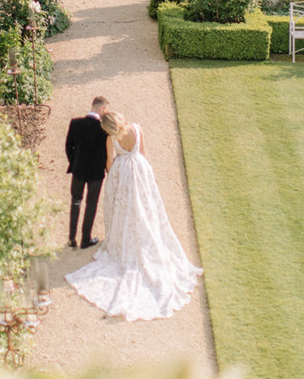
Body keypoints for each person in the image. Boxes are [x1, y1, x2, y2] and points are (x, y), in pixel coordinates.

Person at [65, 111, 203, 321]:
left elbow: (110, 166)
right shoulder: (137, 128)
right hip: (140, 169)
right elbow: (144, 154)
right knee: (145, 208)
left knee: (125, 209)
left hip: (123, 174)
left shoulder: (112, 139)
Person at [65, 95, 109, 249]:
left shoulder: (76, 123)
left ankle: (71, 238)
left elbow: (68, 147)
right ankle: (85, 239)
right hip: (96, 173)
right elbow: (107, 153)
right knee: (91, 204)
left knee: (76, 202)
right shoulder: (104, 129)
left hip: (78, 170)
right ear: (101, 108)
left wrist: (74, 161)